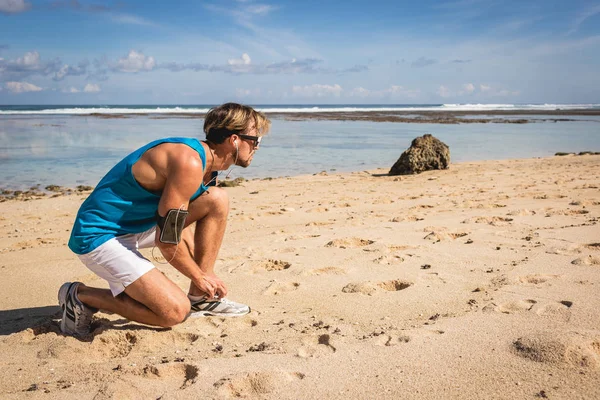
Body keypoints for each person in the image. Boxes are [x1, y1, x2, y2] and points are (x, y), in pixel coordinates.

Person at [59, 103, 270, 337]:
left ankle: (200, 299)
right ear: (234, 140)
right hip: (100, 235)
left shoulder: (210, 168)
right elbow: (167, 240)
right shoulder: (189, 162)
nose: (257, 147)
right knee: (174, 312)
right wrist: (200, 276)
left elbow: (174, 224)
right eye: (255, 140)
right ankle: (80, 295)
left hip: (140, 226)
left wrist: (201, 279)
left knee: (216, 199)